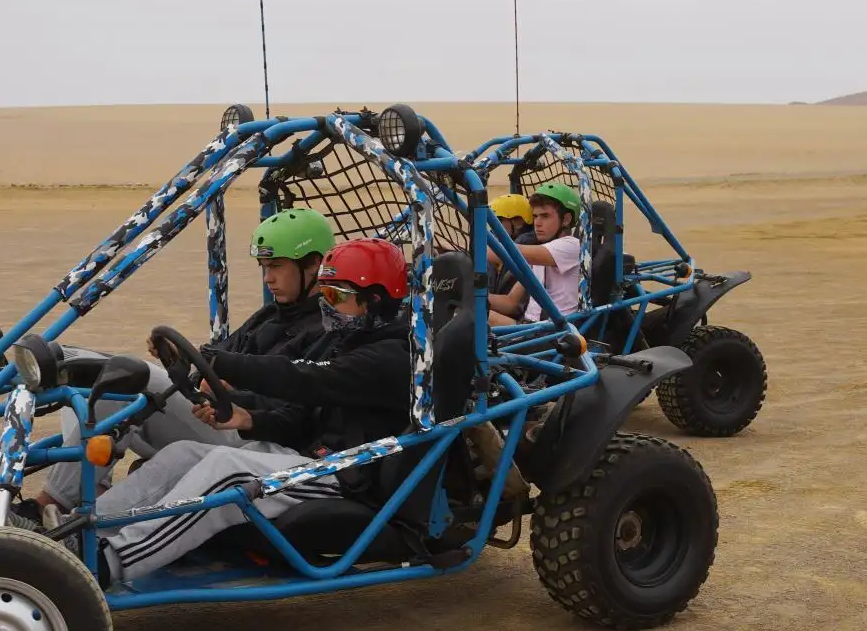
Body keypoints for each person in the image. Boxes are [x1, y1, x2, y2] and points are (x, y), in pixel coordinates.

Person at [90, 238, 413, 585]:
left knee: (227, 470)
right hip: (307, 459)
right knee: (185, 454)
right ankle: (86, 532)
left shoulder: (393, 356)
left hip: (347, 475)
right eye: (324, 294)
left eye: (336, 296)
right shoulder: (346, 340)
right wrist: (250, 420)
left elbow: (304, 379)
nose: (326, 306)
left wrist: (219, 361)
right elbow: (301, 413)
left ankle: (110, 561)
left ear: (374, 300)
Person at [33, 207, 334, 514]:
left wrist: (233, 392)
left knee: (125, 382)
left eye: (277, 266)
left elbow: (298, 405)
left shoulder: (326, 329)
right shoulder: (271, 316)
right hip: (216, 415)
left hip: (254, 437)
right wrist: (182, 358)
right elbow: (217, 357)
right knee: (85, 373)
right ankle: (89, 490)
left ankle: (48, 504)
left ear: (314, 264)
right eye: (264, 266)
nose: (268, 278)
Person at [486, 182, 583, 326]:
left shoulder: (571, 246)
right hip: (529, 328)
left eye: (545, 216)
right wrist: (468, 296)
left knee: (473, 319)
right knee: (467, 312)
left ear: (566, 219)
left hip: (556, 333)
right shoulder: (542, 252)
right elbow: (511, 302)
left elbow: (504, 252)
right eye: (535, 216)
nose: (537, 223)